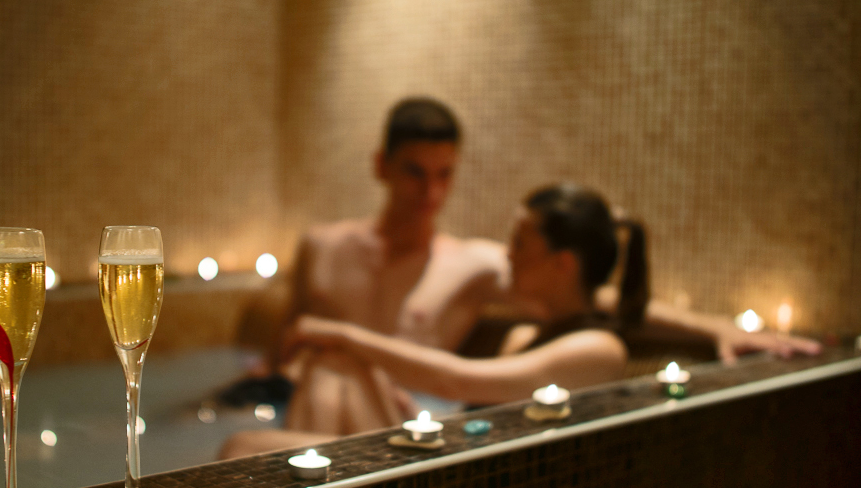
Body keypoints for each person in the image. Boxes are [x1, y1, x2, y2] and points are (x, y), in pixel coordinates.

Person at [219, 97, 819, 408]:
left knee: (339, 370)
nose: (431, 194)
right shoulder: (321, 246)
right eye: (414, 172)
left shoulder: (472, 265)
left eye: (445, 175)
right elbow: (281, 348)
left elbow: (594, 295)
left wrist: (715, 326)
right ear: (381, 166)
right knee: (317, 383)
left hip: (397, 423)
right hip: (304, 405)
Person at [218, 184, 643, 458]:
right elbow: (479, 415)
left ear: (562, 264)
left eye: (519, 243)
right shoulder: (524, 334)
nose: (507, 254)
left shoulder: (598, 351)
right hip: (444, 455)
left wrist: (344, 333)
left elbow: (457, 381)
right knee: (334, 365)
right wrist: (416, 410)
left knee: (243, 446)